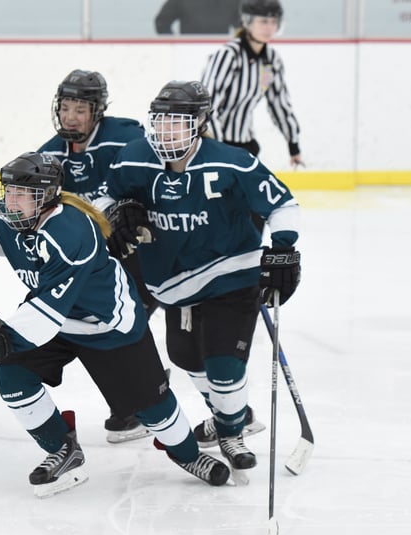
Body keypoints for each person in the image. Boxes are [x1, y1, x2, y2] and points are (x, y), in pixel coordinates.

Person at [0, 152, 232, 497]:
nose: (11, 202)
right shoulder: (9, 215)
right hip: (56, 318)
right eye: (9, 191)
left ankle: (188, 454)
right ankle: (62, 447)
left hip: (106, 324)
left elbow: (46, 313)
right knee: (13, 377)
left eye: (22, 194)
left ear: (46, 198)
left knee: (153, 410)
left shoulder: (70, 233)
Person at [94, 80, 301, 473]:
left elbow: (283, 203)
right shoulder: (134, 158)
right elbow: (103, 196)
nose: (166, 130)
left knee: (224, 366)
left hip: (233, 275)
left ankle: (230, 430)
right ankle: (229, 417)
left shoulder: (231, 161)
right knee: (186, 358)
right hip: (173, 283)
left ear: (201, 122)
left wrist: (284, 247)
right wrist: (118, 210)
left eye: (177, 122)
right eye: (161, 121)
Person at [37, 69, 157, 444]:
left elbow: (155, 178)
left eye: (80, 109)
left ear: (98, 111)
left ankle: (146, 397)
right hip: (96, 258)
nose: (71, 117)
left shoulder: (126, 137)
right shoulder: (50, 153)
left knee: (127, 321)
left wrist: (133, 207)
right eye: (66, 108)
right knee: (105, 324)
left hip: (143, 248)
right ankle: (138, 399)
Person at [200, 0, 303, 168]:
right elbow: (207, 105)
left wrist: (294, 146)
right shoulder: (229, 55)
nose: (269, 28)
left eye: (273, 22)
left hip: (246, 145)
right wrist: (217, 148)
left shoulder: (270, 61)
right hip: (217, 143)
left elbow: (279, 104)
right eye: (263, 21)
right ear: (247, 22)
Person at [155, 0, 241, 35]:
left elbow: (243, 27)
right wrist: (175, 44)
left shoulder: (232, 1)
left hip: (221, 52)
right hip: (187, 53)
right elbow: (162, 22)